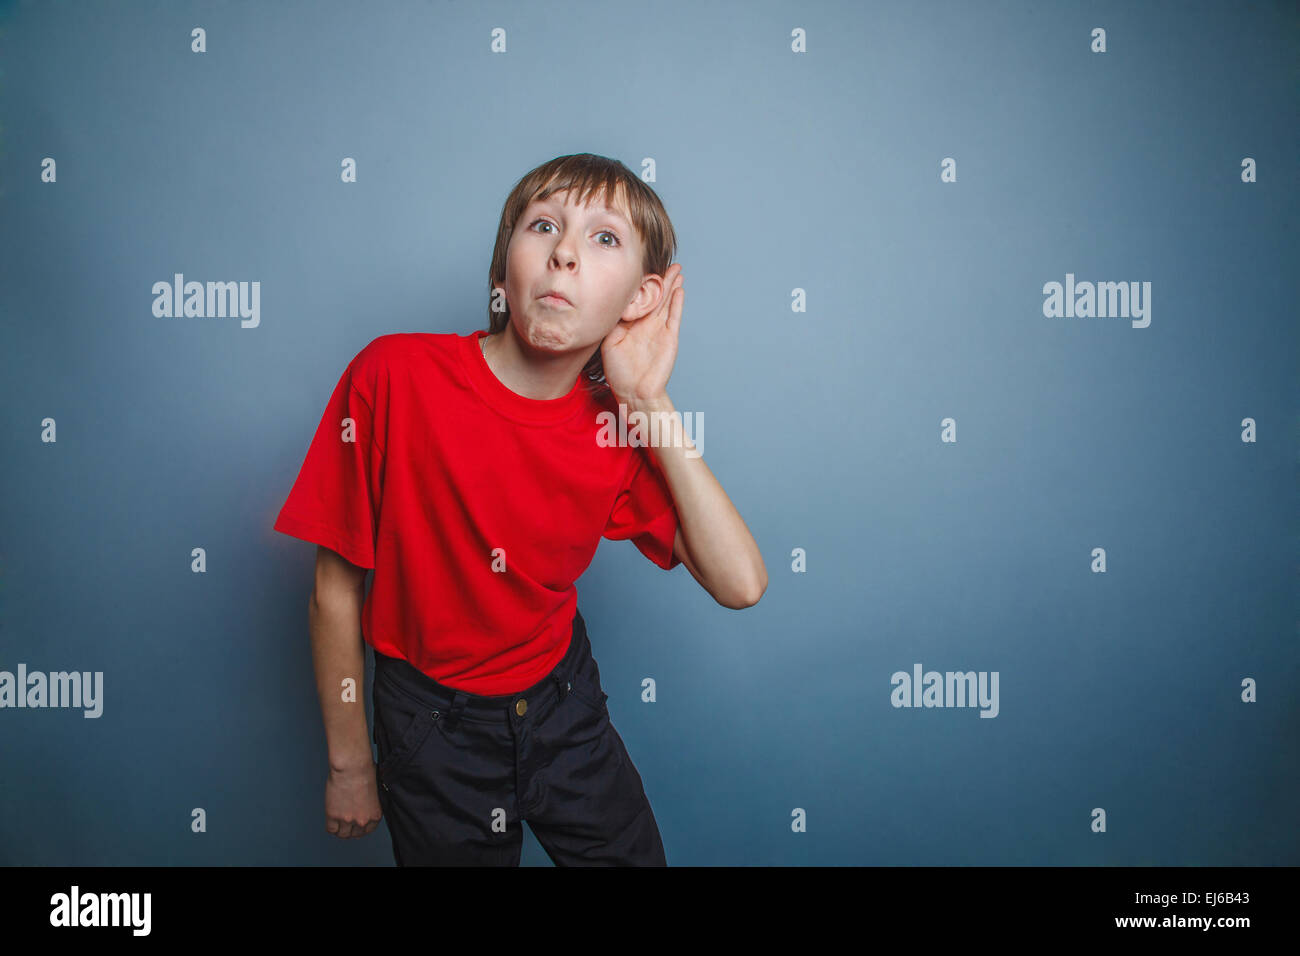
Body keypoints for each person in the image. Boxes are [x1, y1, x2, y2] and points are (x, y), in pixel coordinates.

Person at [273, 153, 767, 866]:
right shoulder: (391, 377)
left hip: (564, 706)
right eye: (543, 226)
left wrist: (650, 402)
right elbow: (334, 590)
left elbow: (741, 583)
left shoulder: (619, 427)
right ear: (504, 271)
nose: (565, 251)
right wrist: (351, 766)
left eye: (604, 239)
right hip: (430, 727)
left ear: (642, 296)